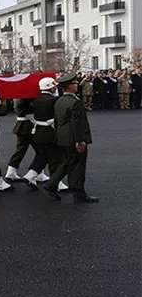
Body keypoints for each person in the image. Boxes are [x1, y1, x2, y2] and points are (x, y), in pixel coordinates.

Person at [41, 74, 99, 203]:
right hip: (73, 138)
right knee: (77, 166)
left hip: (63, 137)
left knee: (68, 162)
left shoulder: (59, 101)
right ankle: (78, 193)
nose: (76, 85)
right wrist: (80, 141)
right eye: (74, 84)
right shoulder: (75, 102)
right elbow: (77, 123)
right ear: (70, 86)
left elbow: (57, 121)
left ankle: (52, 184)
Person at [22, 77, 68, 192]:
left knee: (42, 155)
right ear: (51, 87)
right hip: (49, 132)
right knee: (55, 158)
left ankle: (30, 175)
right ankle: (56, 182)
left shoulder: (36, 100)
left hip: (38, 131)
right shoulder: (54, 100)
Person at [5, 97, 35, 181]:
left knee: (21, 149)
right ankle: (36, 172)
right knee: (41, 151)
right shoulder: (25, 99)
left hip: (22, 125)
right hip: (28, 126)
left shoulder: (17, 97)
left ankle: (11, 171)